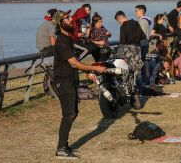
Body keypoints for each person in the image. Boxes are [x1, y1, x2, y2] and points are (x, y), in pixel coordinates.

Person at [51, 10, 106, 159]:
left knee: (73, 113)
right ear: (61, 23)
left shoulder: (68, 39)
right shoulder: (62, 41)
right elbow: (74, 63)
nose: (71, 19)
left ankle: (64, 146)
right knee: (68, 114)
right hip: (63, 82)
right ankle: (61, 148)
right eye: (67, 18)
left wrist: (86, 72)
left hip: (70, 80)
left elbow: (74, 65)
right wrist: (95, 68)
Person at [115, 11, 146, 105]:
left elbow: (122, 42)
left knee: (126, 73)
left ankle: (131, 95)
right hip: (137, 49)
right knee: (136, 73)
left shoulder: (123, 26)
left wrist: (118, 55)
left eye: (118, 21)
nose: (119, 23)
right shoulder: (136, 23)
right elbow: (143, 36)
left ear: (119, 19)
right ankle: (138, 94)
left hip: (128, 51)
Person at [135, 5, 152, 86]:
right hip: (146, 44)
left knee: (141, 64)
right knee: (144, 63)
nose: (135, 13)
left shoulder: (142, 22)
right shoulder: (146, 21)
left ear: (141, 11)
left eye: (136, 11)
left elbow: (141, 35)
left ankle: (144, 81)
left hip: (142, 45)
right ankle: (145, 80)